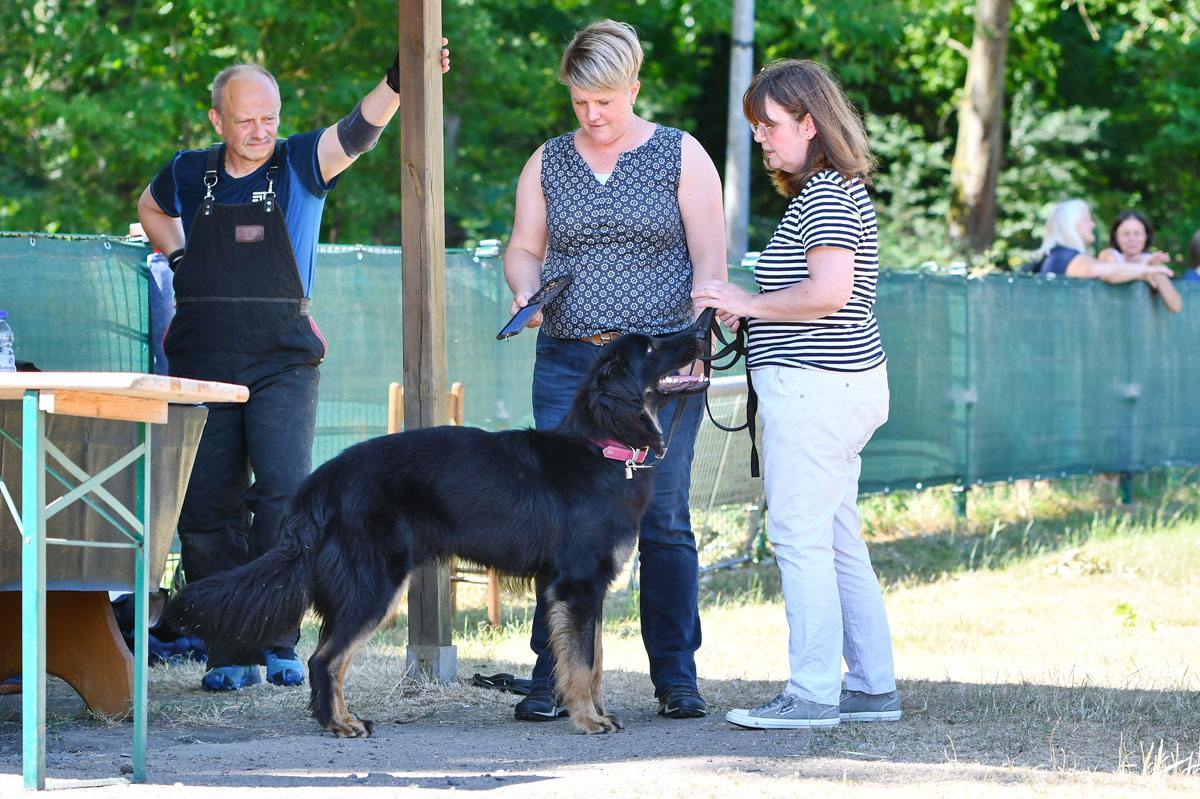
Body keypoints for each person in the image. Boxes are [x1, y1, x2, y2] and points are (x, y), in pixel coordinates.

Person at [137, 46, 450, 691]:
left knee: (283, 494)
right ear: (217, 120)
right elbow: (150, 207)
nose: (261, 131)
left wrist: (396, 79)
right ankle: (228, 650)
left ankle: (280, 638)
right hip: (200, 360)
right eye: (247, 120)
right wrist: (180, 258)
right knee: (205, 507)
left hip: (283, 360)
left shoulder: (300, 163)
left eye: (270, 118)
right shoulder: (187, 172)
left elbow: (359, 132)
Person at [502, 20, 726, 721]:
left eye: (605, 100)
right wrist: (523, 289)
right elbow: (523, 248)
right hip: (569, 357)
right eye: (579, 102)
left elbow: (710, 266)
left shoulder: (682, 155)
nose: (592, 115)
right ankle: (553, 675)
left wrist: (695, 342)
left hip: (657, 368)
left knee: (661, 516)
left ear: (634, 85)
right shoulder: (546, 161)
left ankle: (676, 675)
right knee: (559, 517)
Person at [691, 59, 899, 729]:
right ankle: (870, 688)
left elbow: (830, 293)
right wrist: (753, 310)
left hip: (818, 393)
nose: (762, 138)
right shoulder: (830, 192)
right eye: (757, 127)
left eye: (770, 125)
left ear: (811, 124)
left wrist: (748, 301)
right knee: (836, 540)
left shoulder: (829, 197)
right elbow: (813, 296)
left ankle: (812, 694)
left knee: (801, 538)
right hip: (835, 389)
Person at [1028, 200, 1179, 311]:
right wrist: (1148, 270)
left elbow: (1176, 306)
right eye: (1087, 220)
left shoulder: (1058, 255)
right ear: (1071, 224)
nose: (1093, 225)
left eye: (1137, 233)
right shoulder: (1064, 256)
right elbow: (1106, 271)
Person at [1098, 209, 1182, 311]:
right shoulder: (1109, 255)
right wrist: (1145, 269)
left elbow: (1176, 306)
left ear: (1146, 236)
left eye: (1137, 233)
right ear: (1116, 237)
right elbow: (1111, 273)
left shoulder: (1151, 261)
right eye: (1126, 234)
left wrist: (1156, 269)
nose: (1132, 238)